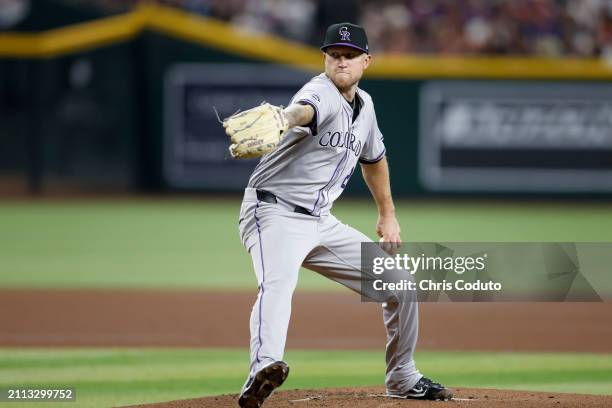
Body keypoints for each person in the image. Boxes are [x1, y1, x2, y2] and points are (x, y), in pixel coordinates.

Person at [235, 22, 453, 408]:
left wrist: (388, 214)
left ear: (366, 61)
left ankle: (403, 377)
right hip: (273, 212)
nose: (341, 61)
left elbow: (375, 160)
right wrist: (285, 119)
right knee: (278, 286)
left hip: (320, 221)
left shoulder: (365, 106)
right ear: (324, 59)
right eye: (334, 55)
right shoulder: (319, 92)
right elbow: (304, 111)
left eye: (350, 56)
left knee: (400, 285)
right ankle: (262, 369)